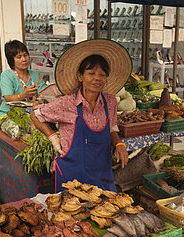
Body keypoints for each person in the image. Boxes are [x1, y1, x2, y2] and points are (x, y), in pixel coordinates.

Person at [29, 39, 131, 192]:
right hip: (71, 174)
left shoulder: (110, 101)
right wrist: (52, 137)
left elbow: (111, 128)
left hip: (101, 173)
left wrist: (119, 144)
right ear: (80, 76)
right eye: (91, 73)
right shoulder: (66, 103)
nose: (97, 78)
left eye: (102, 75)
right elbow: (35, 115)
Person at [0, 40, 46, 118]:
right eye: (19, 57)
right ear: (12, 60)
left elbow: (45, 94)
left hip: (31, 115)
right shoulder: (7, 75)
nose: (24, 59)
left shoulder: (35, 75)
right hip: (8, 115)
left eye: (25, 55)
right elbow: (8, 98)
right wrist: (24, 94)